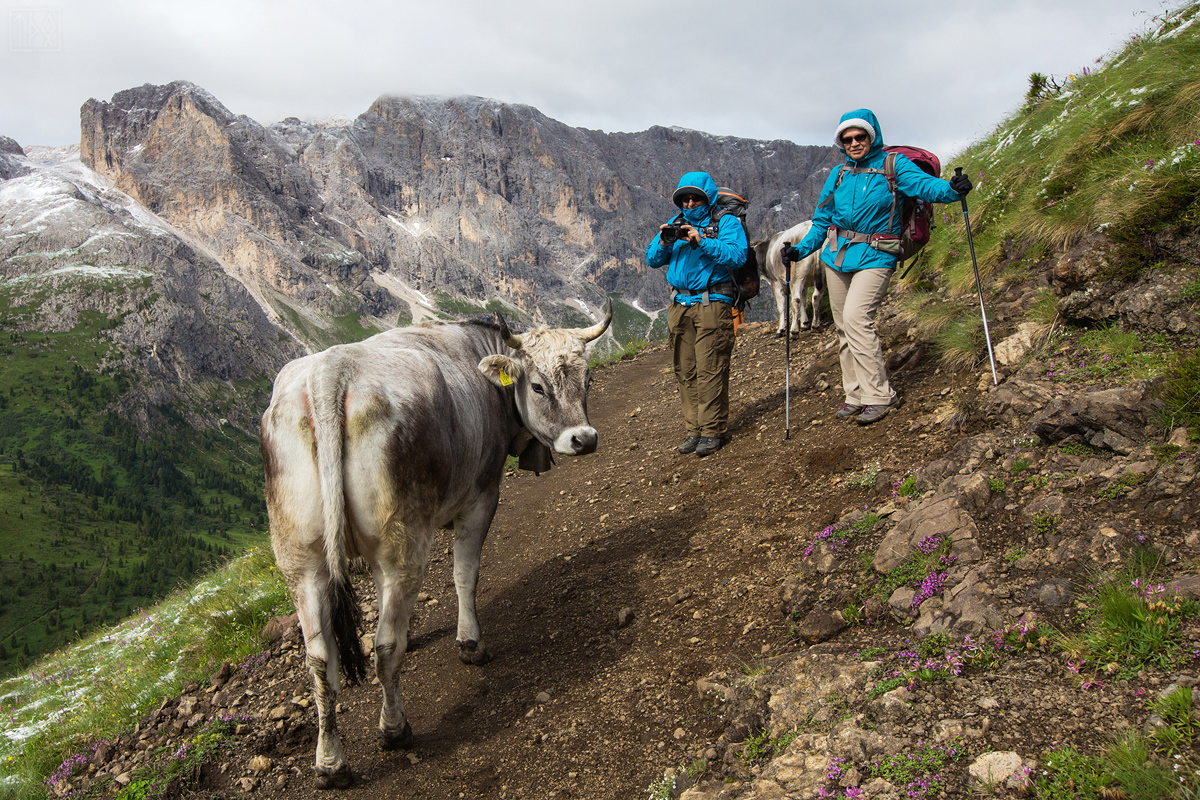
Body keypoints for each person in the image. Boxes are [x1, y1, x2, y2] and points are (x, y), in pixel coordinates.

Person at [782, 109, 972, 425]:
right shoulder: (838, 175)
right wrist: (801, 250)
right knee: (843, 327)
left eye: (860, 136)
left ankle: (879, 396)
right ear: (841, 142)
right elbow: (822, 221)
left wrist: (952, 191)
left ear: (872, 136)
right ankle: (854, 394)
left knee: (857, 319)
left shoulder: (894, 166)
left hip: (876, 255)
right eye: (848, 138)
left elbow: (926, 187)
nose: (854, 142)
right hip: (836, 256)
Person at [646, 171, 747, 457]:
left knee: (710, 368)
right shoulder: (676, 224)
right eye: (685, 199)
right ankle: (694, 430)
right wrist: (665, 241)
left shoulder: (725, 222)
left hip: (712, 304)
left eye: (696, 198)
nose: (690, 204)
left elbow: (737, 255)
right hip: (680, 306)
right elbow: (652, 259)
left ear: (708, 198)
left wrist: (701, 240)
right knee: (685, 370)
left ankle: (712, 431)